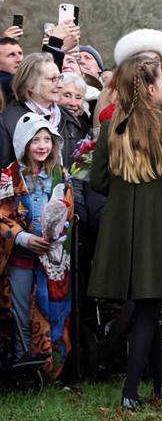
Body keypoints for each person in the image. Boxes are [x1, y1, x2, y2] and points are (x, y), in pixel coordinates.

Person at [87, 54, 162, 409]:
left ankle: (161, 385)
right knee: (149, 309)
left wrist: (126, 191)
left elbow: (98, 180)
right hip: (157, 230)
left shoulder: (111, 128)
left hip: (122, 230)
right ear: (151, 88)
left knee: (145, 303)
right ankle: (130, 392)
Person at [0, 113, 74, 376]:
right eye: (35, 140)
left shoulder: (60, 175)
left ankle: (52, 369)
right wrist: (25, 238)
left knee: (52, 306)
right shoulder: (9, 177)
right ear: (23, 143)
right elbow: (3, 215)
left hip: (50, 257)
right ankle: (23, 367)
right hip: (21, 255)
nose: (42, 146)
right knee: (20, 309)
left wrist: (58, 234)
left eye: (47, 140)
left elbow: (68, 211)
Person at [0, 53, 84, 167]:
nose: (60, 85)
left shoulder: (70, 119)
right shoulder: (8, 121)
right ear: (30, 85)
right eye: (52, 79)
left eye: (59, 78)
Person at [93, 29, 162, 134]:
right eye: (144, 60)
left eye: (156, 60)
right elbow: (98, 136)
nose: (151, 66)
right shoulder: (110, 94)